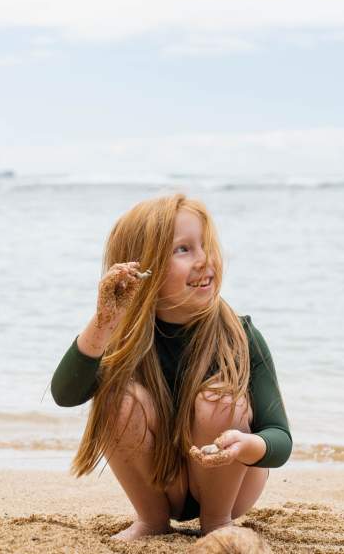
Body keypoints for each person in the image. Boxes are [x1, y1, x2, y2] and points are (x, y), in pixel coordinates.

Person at [50, 193, 292, 541]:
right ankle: (151, 520)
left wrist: (248, 445)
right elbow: (66, 394)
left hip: (231, 484)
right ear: (142, 269)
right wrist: (104, 322)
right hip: (163, 481)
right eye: (183, 249)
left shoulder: (240, 335)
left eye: (206, 245)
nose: (204, 259)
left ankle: (217, 521)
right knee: (118, 398)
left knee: (220, 401)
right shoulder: (125, 338)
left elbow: (280, 437)